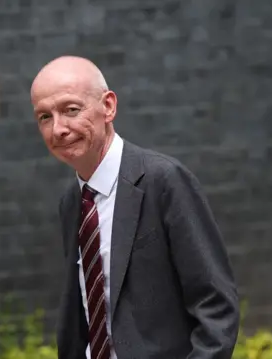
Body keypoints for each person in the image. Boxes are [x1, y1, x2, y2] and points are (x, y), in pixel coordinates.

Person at [30, 55, 240, 359]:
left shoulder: (163, 181)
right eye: (44, 117)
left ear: (108, 107)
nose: (58, 128)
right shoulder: (72, 203)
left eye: (71, 110)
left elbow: (216, 307)